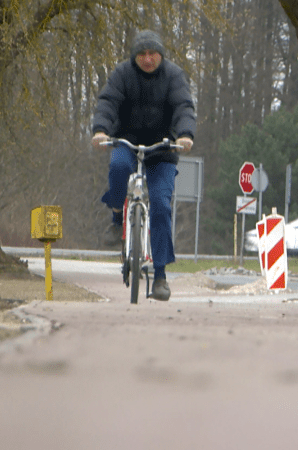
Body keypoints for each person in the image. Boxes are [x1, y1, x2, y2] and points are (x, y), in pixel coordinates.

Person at [91, 30, 195, 301]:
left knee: (160, 205)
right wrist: (101, 130)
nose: (148, 59)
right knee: (118, 167)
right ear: (134, 56)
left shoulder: (173, 76)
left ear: (161, 55)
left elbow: (184, 106)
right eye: (142, 54)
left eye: (153, 54)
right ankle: (116, 216)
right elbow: (108, 102)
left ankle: (160, 276)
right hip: (127, 140)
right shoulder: (123, 74)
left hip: (163, 148)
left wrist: (185, 135)